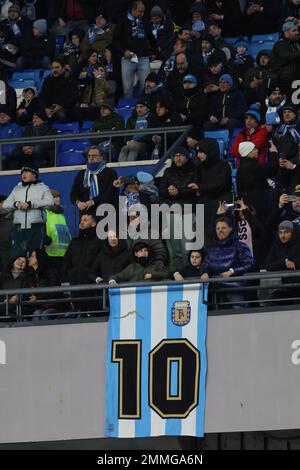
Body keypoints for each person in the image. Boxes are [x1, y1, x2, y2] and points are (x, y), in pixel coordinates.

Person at [200, 217, 254, 308]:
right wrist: (204, 272)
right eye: (218, 228)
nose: (220, 230)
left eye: (223, 228)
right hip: (215, 290)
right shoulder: (211, 248)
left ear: (230, 229)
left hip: (234, 288)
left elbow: (249, 263)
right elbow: (205, 263)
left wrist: (232, 271)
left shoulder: (240, 246)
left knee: (239, 315)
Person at [0, 166, 53, 257]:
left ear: (34, 175)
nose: (23, 174)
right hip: (18, 229)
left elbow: (50, 202)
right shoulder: (17, 188)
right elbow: (4, 205)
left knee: (35, 256)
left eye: (27, 172)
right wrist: (16, 204)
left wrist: (31, 204)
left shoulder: (43, 188)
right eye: (22, 172)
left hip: (36, 228)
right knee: (18, 257)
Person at [112, 1, 156, 98]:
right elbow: (115, 41)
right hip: (128, 59)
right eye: (140, 11)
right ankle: (129, 110)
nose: (142, 14)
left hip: (143, 58)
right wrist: (124, 51)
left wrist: (154, 52)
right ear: (133, 10)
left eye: (143, 12)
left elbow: (151, 39)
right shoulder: (123, 22)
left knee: (146, 87)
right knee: (127, 89)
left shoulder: (145, 22)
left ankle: (142, 105)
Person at [192, 138, 232, 243]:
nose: (198, 155)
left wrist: (201, 188)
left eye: (201, 152)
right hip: (204, 207)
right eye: (197, 152)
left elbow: (220, 184)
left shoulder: (224, 166)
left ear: (209, 151)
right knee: (206, 239)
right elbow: (195, 183)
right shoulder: (199, 167)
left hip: (220, 206)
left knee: (222, 238)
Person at [236, 141, 278, 221]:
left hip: (249, 207)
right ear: (248, 152)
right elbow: (273, 168)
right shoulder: (251, 167)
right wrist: (274, 153)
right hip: (258, 208)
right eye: (254, 149)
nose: (257, 150)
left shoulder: (241, 168)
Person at [70, 146, 118, 213]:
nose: (91, 158)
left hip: (105, 210)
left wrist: (93, 201)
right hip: (85, 211)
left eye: (94, 155)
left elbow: (110, 193)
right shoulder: (82, 174)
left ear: (101, 158)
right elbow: (73, 193)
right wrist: (78, 203)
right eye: (89, 156)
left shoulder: (110, 173)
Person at [45, 189, 72, 278]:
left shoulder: (61, 214)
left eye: (59, 197)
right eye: (55, 197)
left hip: (64, 255)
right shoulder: (45, 214)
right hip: (50, 255)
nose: (58, 199)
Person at [271, 21, 300, 98]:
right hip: (284, 80)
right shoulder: (280, 44)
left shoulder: (295, 43)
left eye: (297, 30)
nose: (297, 32)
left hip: (295, 79)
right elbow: (286, 56)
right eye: (294, 31)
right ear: (286, 32)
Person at [118, 97, 151, 162]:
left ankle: (128, 167)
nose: (139, 109)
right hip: (131, 143)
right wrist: (127, 142)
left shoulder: (151, 118)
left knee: (133, 147)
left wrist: (137, 141)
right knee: (124, 148)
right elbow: (126, 134)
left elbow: (150, 134)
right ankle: (121, 168)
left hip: (146, 144)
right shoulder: (131, 119)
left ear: (147, 108)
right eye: (137, 107)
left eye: (141, 107)